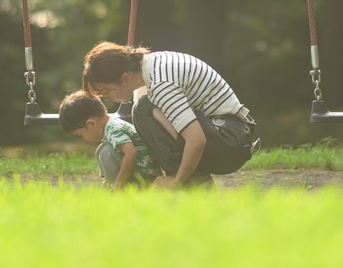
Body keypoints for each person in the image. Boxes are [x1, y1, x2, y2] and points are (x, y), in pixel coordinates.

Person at [81, 41, 259, 189]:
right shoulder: (152, 65)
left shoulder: (161, 84)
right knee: (143, 110)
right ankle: (192, 183)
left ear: (125, 79)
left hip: (230, 142)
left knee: (143, 111)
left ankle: (191, 185)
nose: (107, 98)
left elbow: (196, 140)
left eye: (107, 92)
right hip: (233, 133)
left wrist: (176, 181)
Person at [59, 90, 162, 189]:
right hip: (143, 170)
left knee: (106, 152)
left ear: (91, 124)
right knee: (101, 148)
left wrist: (119, 182)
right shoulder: (112, 124)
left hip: (146, 176)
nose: (84, 139)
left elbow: (131, 152)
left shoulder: (113, 130)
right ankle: (108, 182)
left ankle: (115, 186)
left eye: (81, 135)